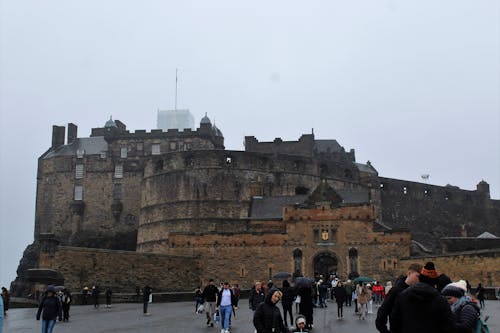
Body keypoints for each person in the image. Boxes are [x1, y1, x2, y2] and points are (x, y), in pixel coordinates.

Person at [390, 262, 455, 333]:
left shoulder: (403, 295)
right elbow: (448, 326)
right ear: (434, 282)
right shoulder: (441, 300)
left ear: (420, 278)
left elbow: (394, 321)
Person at [376, 263, 422, 333]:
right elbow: (382, 315)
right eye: (417, 276)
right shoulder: (395, 291)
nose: (419, 279)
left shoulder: (419, 291)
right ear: (409, 273)